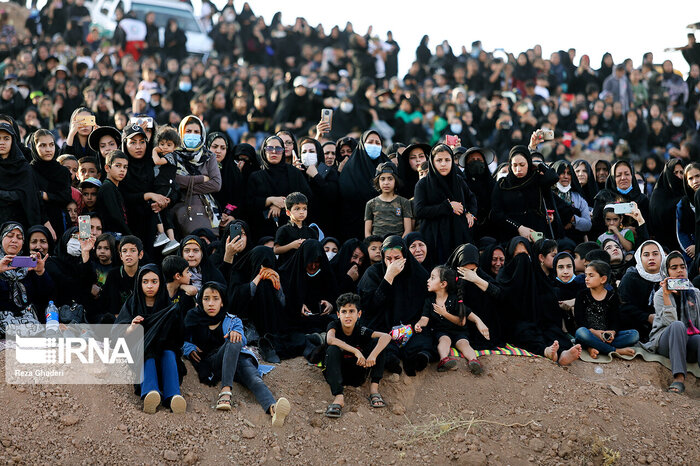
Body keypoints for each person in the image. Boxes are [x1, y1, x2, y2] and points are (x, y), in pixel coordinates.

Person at [183, 281, 291, 424]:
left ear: (222, 302)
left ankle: (273, 409)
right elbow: (181, 340)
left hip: (236, 359)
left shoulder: (233, 320)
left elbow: (242, 339)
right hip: (213, 362)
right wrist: (188, 347)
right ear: (200, 301)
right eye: (206, 298)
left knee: (253, 378)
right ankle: (225, 392)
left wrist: (236, 334)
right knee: (234, 343)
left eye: (216, 299)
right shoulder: (192, 317)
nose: (210, 303)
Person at [496, 236, 582, 365]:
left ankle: (563, 354)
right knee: (526, 332)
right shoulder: (504, 275)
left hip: (539, 321)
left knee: (552, 332)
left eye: (525, 254)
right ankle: (546, 351)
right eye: (518, 254)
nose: (522, 259)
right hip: (517, 322)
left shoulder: (536, 275)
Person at [113, 264, 187, 414]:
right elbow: (117, 333)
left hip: (165, 347)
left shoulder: (169, 305)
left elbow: (179, 335)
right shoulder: (132, 304)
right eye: (145, 281)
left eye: (154, 281)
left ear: (161, 282)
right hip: (141, 349)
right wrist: (131, 327)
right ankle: (150, 393)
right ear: (139, 283)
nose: (150, 286)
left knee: (169, 352)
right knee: (148, 351)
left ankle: (174, 396)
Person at [358, 235, 434, 375]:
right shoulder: (373, 273)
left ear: (405, 255)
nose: (392, 263)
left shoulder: (418, 274)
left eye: (397, 258)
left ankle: (420, 356)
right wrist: (388, 278)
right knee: (380, 342)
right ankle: (389, 358)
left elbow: (427, 303)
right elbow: (369, 306)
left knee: (423, 341)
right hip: (382, 324)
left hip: (410, 326)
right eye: (388, 259)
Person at [323, 292, 391, 418]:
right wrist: (356, 351)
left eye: (351, 311)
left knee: (378, 343)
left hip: (357, 375)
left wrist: (373, 356)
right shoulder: (334, 325)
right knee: (333, 349)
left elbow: (387, 337)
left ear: (358, 314)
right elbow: (330, 339)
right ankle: (338, 397)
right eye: (343, 312)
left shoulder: (360, 329)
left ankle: (374, 390)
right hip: (336, 374)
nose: (347, 315)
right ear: (338, 314)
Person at [644, 251, 700, 394]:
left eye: (682, 267)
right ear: (666, 271)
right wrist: (666, 295)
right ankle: (679, 378)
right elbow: (670, 323)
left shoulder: (696, 293)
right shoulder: (659, 295)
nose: (680, 270)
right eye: (674, 268)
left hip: (688, 342)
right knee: (677, 325)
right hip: (665, 342)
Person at [415, 265, 488, 373]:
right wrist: (419, 324)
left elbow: (464, 319)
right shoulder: (429, 301)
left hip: (459, 331)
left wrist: (478, 321)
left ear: (443, 284)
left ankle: (474, 361)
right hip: (442, 331)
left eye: (432, 278)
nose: (428, 280)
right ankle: (444, 360)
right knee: (444, 340)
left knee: (464, 343)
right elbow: (424, 318)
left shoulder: (454, 299)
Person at [413, 144, 476, 264]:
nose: (443, 164)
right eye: (439, 160)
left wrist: (470, 213)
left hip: (458, 236)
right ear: (432, 162)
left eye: (447, 160)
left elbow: (471, 198)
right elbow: (419, 210)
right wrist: (448, 207)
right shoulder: (423, 184)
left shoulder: (458, 180)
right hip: (435, 239)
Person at [490, 145, 558, 243]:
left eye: (522, 165)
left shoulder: (536, 179)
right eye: (515, 165)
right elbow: (497, 214)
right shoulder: (502, 184)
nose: (518, 170)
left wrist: (539, 164)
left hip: (536, 232)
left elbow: (553, 177)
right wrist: (518, 227)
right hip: (510, 234)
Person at [248, 135, 312, 239]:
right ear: (264, 151)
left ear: (283, 151)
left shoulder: (294, 173)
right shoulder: (256, 176)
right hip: (262, 231)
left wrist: (282, 204)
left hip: (293, 231)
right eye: (269, 148)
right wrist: (270, 200)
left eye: (278, 148)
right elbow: (249, 203)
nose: (274, 152)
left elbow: (306, 196)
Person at [574, 260, 639, 358]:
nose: (586, 279)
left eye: (591, 276)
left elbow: (616, 320)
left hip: (606, 336)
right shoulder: (582, 295)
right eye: (586, 275)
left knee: (634, 335)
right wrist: (595, 333)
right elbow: (579, 319)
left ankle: (592, 347)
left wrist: (612, 332)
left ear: (603, 279)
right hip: (589, 334)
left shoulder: (612, 297)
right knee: (581, 332)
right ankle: (615, 350)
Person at [172, 115, 222, 237]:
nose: (192, 135)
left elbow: (216, 184)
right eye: (188, 131)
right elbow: (174, 181)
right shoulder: (173, 155)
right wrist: (201, 179)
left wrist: (186, 186)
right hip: (180, 209)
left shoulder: (209, 156)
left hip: (205, 210)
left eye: (196, 132)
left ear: (202, 134)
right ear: (181, 133)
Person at [0, 222, 51, 336]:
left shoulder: (27, 266)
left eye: (19, 237)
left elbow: (46, 298)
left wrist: (40, 272)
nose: (14, 240)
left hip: (28, 322)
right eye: (10, 235)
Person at [338, 130, 390, 241]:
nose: (374, 145)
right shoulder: (350, 168)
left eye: (377, 143)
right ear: (362, 144)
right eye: (370, 142)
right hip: (353, 227)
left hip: (382, 226)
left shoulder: (386, 164)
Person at [618, 240, 666, 342]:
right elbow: (623, 306)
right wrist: (647, 317)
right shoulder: (630, 277)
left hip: (663, 326)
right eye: (646, 255)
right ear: (640, 258)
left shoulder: (668, 278)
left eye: (655, 254)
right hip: (635, 326)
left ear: (662, 256)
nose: (651, 258)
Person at [29, 129, 72, 238]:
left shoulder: (62, 171)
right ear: (34, 147)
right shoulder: (29, 171)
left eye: (51, 145)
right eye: (43, 145)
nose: (48, 149)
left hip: (60, 221)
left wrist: (46, 195)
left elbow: (66, 197)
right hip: (37, 222)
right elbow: (32, 200)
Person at [0, 123, 43, 229]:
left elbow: (30, 196)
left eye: (6, 138)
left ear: (12, 141)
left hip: (19, 223)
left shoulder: (23, 168)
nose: (2, 142)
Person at [151, 126, 181, 253]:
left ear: (175, 147)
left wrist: (154, 150)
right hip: (164, 187)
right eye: (162, 144)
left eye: (168, 144)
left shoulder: (171, 156)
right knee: (165, 213)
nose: (164, 147)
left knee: (154, 206)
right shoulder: (169, 155)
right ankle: (172, 240)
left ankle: (161, 234)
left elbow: (157, 161)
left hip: (166, 187)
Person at [364, 162, 412, 238]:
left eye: (390, 179)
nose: (386, 183)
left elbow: (408, 230)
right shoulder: (371, 204)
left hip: (398, 245)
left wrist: (400, 244)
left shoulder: (404, 202)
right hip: (378, 245)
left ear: (395, 181)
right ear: (378, 181)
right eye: (382, 179)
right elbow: (367, 232)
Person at [649, 158, 685, 251]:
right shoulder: (658, 195)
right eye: (675, 173)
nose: (679, 176)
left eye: (681, 172)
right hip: (664, 247)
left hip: (687, 246)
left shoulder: (686, 193)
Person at [273, 192, 318, 266]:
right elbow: (276, 250)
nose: (301, 212)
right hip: (288, 267)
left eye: (304, 209)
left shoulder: (311, 231)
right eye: (297, 209)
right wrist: (292, 245)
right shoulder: (283, 230)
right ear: (288, 212)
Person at [96, 150, 131, 236]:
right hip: (112, 235)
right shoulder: (107, 187)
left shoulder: (114, 187)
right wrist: (129, 235)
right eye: (118, 166)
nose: (122, 170)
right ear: (107, 168)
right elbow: (116, 216)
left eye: (125, 167)